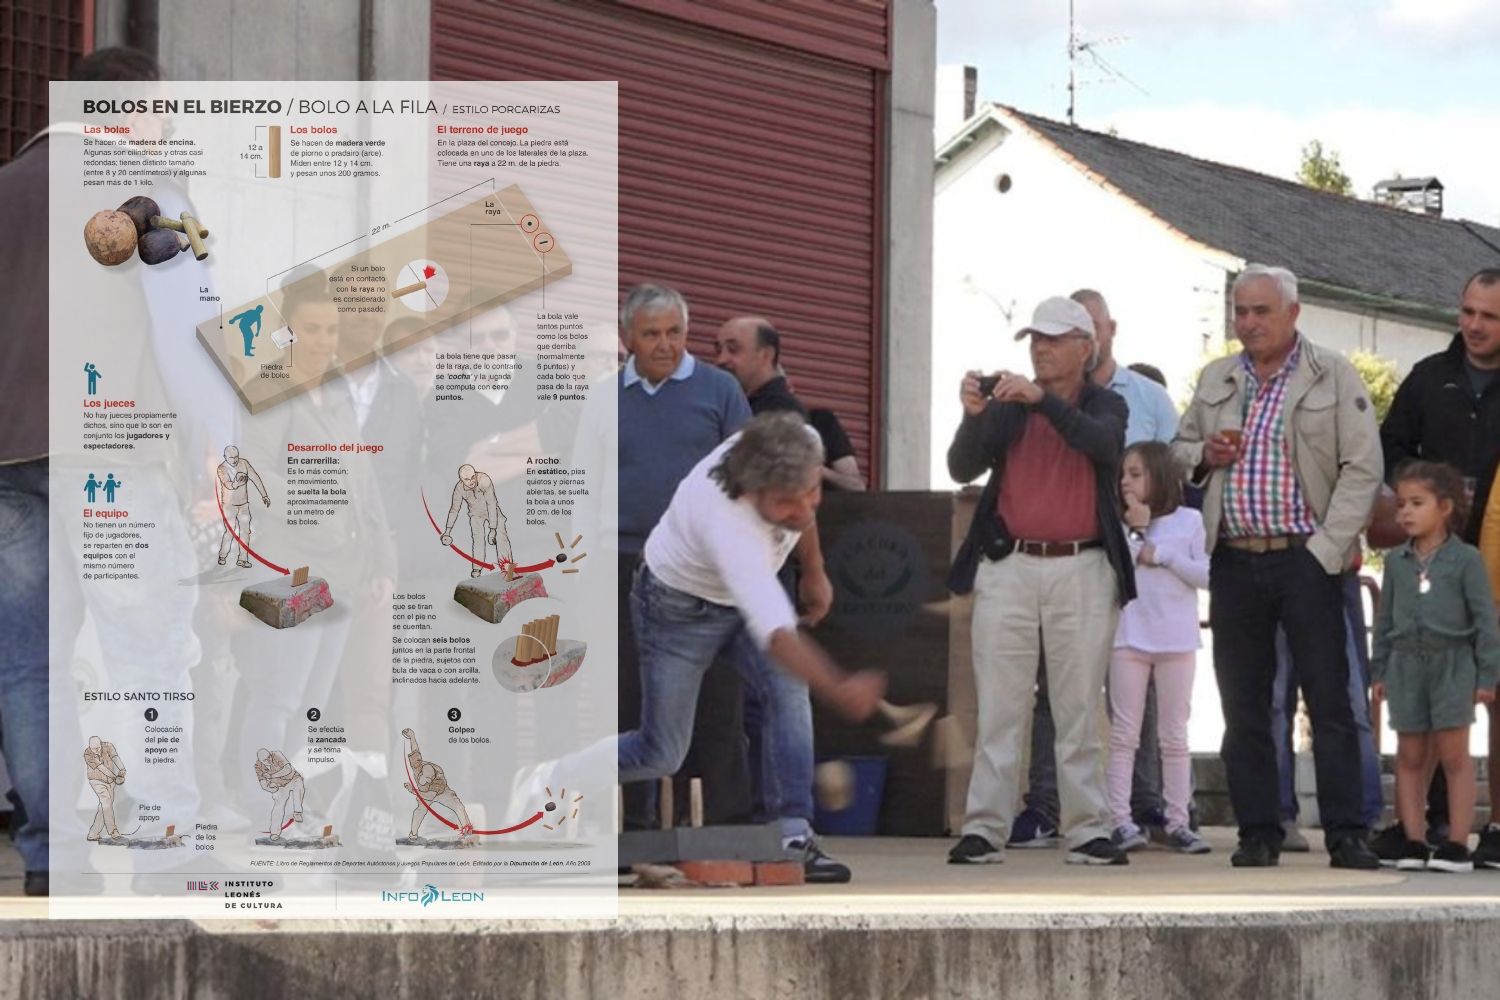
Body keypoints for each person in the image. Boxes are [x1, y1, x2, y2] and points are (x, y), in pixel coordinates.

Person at [1173, 264, 1382, 869]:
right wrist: (1203, 455)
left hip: (1305, 558)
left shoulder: (1332, 374)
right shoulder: (1219, 377)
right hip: (1235, 560)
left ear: (1293, 313)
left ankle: (1346, 833)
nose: (1248, 322)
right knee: (1244, 704)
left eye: (1261, 311)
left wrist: (1326, 549)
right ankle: (1259, 830)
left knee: (1331, 700)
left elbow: (1363, 468)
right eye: (1240, 311)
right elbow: (1178, 452)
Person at [618, 412, 885, 881]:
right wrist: (840, 689)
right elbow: (781, 637)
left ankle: (792, 835)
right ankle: (554, 780)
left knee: (787, 691)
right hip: (678, 606)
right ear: (752, 492)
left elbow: (804, 507)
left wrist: (816, 569)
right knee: (662, 752)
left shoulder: (798, 443)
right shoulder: (728, 520)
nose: (803, 510)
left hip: (742, 598)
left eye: (811, 493)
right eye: (785, 503)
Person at [945, 295, 1135, 867]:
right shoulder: (1011, 405)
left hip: (1083, 564)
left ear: (1085, 348)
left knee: (1078, 707)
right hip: (1010, 565)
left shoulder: (1107, 404)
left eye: (1053, 340)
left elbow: (1102, 444)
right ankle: (984, 828)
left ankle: (1087, 830)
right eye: (1035, 340)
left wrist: (1042, 401)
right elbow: (961, 467)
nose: (1041, 350)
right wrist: (973, 414)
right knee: (1000, 705)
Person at [1011, 289, 1180, 849]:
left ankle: (1146, 804)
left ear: (1102, 333)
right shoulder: (1031, 399)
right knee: (1056, 688)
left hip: (1139, 560)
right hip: (1072, 551)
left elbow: (1175, 476)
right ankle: (1045, 805)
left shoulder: (1144, 398)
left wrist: (1156, 528)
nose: (1046, 348)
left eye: (1091, 327)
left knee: (1137, 686)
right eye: (1041, 337)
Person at [614, 284, 751, 829]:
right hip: (624, 565)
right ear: (628, 338)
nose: (665, 345)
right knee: (628, 699)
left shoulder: (720, 392)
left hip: (704, 570)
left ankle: (721, 829)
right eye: (651, 334)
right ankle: (634, 830)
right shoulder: (602, 398)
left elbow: (751, 478)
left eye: (675, 333)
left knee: (719, 700)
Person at [1379, 267, 1500, 863]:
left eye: (1490, 316)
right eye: (1468, 311)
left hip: (1496, 560)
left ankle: (1489, 828)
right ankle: (1417, 829)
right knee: (1420, 710)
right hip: (1435, 558)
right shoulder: (1430, 377)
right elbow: (1391, 445)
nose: (1474, 325)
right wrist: (1423, 493)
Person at [1371, 461, 1500, 872]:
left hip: (1453, 664)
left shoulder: (1466, 560)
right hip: (1406, 665)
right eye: (1401, 504)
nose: (1405, 512)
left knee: (1454, 754)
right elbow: (1386, 622)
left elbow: (1484, 622)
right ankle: (1413, 838)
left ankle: (1458, 843)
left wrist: (1486, 675)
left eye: (1417, 503)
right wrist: (1380, 670)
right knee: (1409, 754)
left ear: (1444, 508)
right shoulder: (1395, 563)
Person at [1107, 442, 1211, 854]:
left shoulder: (1189, 521)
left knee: (1174, 736)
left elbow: (1204, 574)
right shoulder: (1117, 522)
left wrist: (1162, 554)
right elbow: (1121, 565)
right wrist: (1137, 528)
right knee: (1124, 734)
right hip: (1129, 637)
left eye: (1135, 473)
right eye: (1123, 475)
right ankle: (1119, 818)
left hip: (1177, 639)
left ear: (1159, 475)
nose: (1126, 482)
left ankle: (1179, 820)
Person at [714, 317, 807, 417]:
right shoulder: (730, 404)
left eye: (733, 349)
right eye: (718, 351)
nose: (721, 360)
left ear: (766, 355)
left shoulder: (782, 415)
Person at [440, 463, 513, 579]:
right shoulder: (459, 489)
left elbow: (492, 503)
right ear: (461, 480)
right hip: (475, 514)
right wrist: (447, 531)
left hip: (492, 510)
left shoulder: (484, 480)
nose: (471, 481)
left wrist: (492, 529)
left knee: (501, 537)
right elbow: (454, 510)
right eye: (467, 479)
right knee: (478, 539)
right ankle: (476, 570)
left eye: (473, 477)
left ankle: (508, 571)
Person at [401, 728, 472, 839]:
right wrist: (412, 737)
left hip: (441, 793)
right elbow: (415, 750)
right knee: (418, 812)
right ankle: (413, 834)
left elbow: (428, 795)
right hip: (424, 793)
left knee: (458, 806)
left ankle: (467, 830)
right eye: (423, 778)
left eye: (426, 779)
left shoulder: (436, 782)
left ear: (431, 778)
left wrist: (413, 790)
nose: (424, 780)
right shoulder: (417, 765)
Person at [216, 445, 270, 568]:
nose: (234, 460)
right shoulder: (221, 468)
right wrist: (236, 483)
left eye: (236, 457)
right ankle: (223, 555)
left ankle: (242, 559)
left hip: (243, 505)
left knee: (245, 532)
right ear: (225, 457)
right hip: (229, 506)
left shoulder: (244, 463)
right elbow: (227, 484)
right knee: (229, 532)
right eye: (231, 458)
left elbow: (255, 477)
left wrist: (264, 495)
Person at [254, 748, 305, 843]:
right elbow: (263, 784)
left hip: (293, 778)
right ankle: (274, 833)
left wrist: (272, 776)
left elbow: (288, 770)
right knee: (278, 806)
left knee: (299, 786)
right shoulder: (258, 766)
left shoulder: (277, 754)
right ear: (260, 761)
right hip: (280, 785)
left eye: (269, 757)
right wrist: (272, 788)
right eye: (265, 760)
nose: (269, 760)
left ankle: (297, 812)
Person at [84, 737, 126, 842]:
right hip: (97, 781)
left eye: (98, 748)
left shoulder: (109, 746)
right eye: (94, 749)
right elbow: (101, 768)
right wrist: (115, 777)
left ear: (101, 744)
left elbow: (115, 757)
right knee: (106, 804)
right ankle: (113, 831)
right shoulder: (88, 754)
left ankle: (93, 834)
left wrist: (122, 768)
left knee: (104, 807)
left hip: (110, 781)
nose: (97, 751)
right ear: (90, 747)